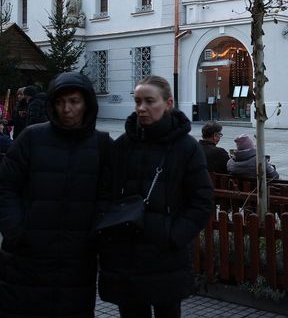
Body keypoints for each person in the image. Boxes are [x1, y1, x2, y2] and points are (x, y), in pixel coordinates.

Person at [97, 75, 214, 318]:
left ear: (168, 103)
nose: (141, 108)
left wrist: (174, 234)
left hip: (166, 256)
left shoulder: (187, 148)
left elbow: (202, 201)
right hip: (125, 253)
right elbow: (104, 193)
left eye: (150, 101)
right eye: (138, 101)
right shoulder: (122, 146)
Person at [0, 72, 110, 317]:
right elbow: (6, 187)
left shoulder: (101, 144)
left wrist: (95, 232)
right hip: (28, 255)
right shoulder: (31, 138)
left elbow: (108, 194)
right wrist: (16, 230)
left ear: (87, 104)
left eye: (74, 102)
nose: (67, 109)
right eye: (60, 102)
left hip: (77, 257)